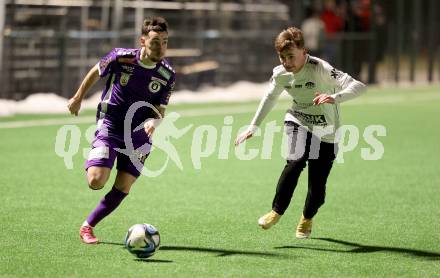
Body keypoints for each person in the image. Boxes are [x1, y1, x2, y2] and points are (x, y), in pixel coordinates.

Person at [235, 27, 365, 239]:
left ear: (304, 52)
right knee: (295, 160)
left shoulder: (320, 67)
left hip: (327, 131)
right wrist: (253, 126)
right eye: (282, 57)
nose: (287, 62)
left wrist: (335, 97)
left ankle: (307, 217)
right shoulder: (280, 74)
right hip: (298, 119)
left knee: (317, 188)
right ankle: (276, 211)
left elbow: (359, 86)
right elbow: (269, 98)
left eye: (291, 56)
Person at [67, 16, 176, 244]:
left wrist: (154, 123)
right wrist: (78, 97)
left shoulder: (167, 75)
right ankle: (100, 155)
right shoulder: (120, 57)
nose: (161, 47)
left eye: (165, 41)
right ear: (143, 41)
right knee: (95, 181)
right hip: (111, 125)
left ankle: (88, 226)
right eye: (156, 41)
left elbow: (160, 110)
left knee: (123, 186)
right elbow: (96, 71)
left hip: (139, 135)